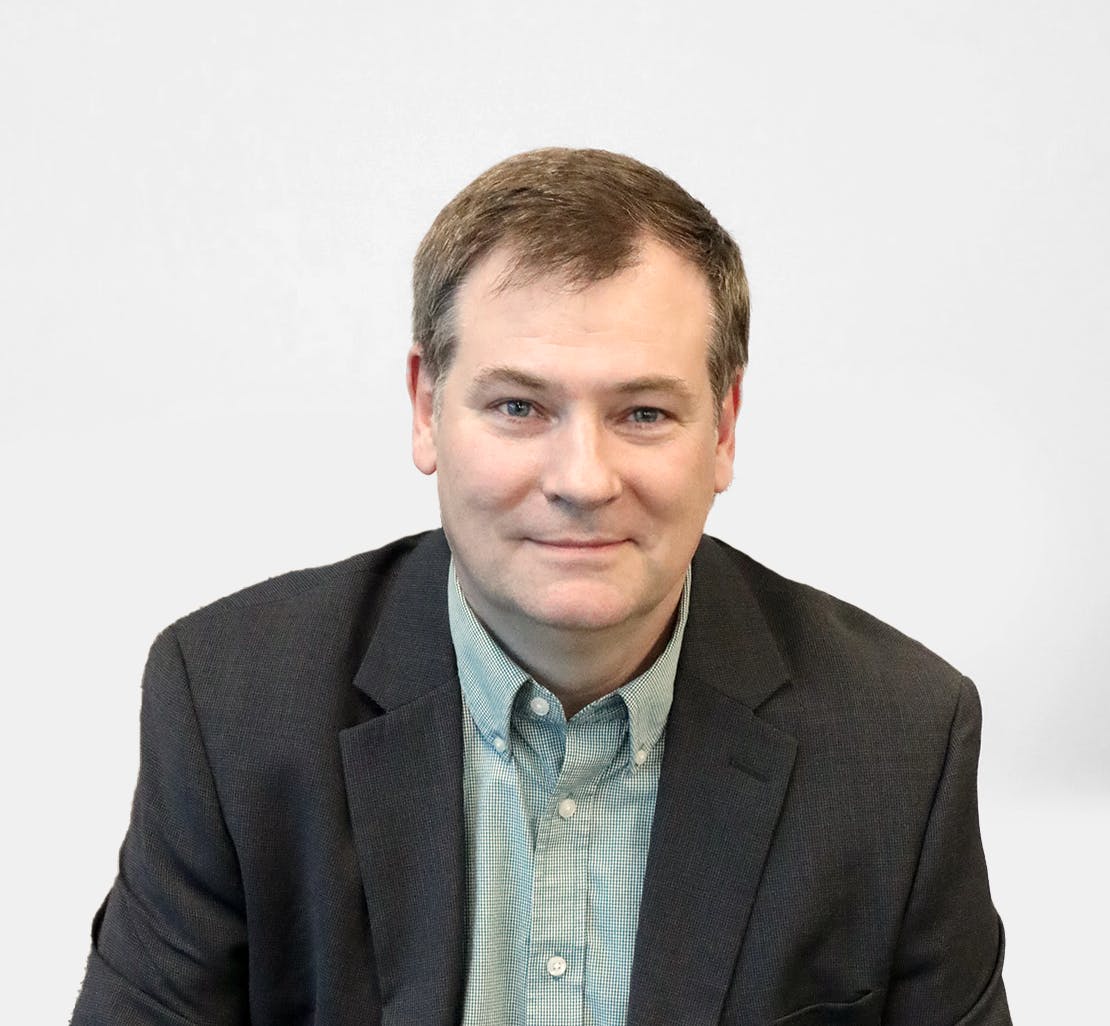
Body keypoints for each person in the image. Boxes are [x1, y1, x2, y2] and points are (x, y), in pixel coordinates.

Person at [72, 148, 1010, 1025]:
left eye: (644, 413)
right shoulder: (232, 704)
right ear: (425, 409)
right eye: (519, 407)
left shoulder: (900, 742)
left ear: (723, 429)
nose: (582, 478)